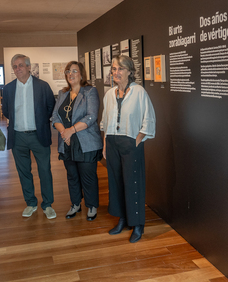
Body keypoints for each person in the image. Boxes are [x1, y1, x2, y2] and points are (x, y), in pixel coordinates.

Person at [101, 55, 156, 243]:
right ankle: (123, 219)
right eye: (114, 69)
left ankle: (137, 224)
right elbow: (105, 122)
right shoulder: (109, 94)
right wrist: (105, 145)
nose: (116, 73)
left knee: (133, 184)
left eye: (121, 69)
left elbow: (148, 118)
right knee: (116, 183)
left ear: (130, 72)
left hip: (131, 143)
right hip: (112, 143)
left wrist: (138, 139)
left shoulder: (139, 92)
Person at [2, 54, 56, 219]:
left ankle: (47, 205)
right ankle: (31, 203)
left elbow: (50, 108)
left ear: (28, 67)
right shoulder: (9, 88)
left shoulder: (43, 86)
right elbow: (5, 111)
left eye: (20, 66)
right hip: (18, 137)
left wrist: (40, 122)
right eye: (15, 67)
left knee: (45, 170)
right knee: (23, 171)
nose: (17, 69)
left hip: (38, 135)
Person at [52, 61, 102, 221]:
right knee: (72, 176)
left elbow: (91, 116)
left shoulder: (90, 91)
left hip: (86, 142)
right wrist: (63, 132)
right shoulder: (62, 93)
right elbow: (55, 117)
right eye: (68, 71)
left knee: (88, 176)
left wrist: (70, 131)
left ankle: (92, 205)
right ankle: (75, 204)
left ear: (81, 74)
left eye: (74, 71)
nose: (71, 74)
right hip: (67, 142)